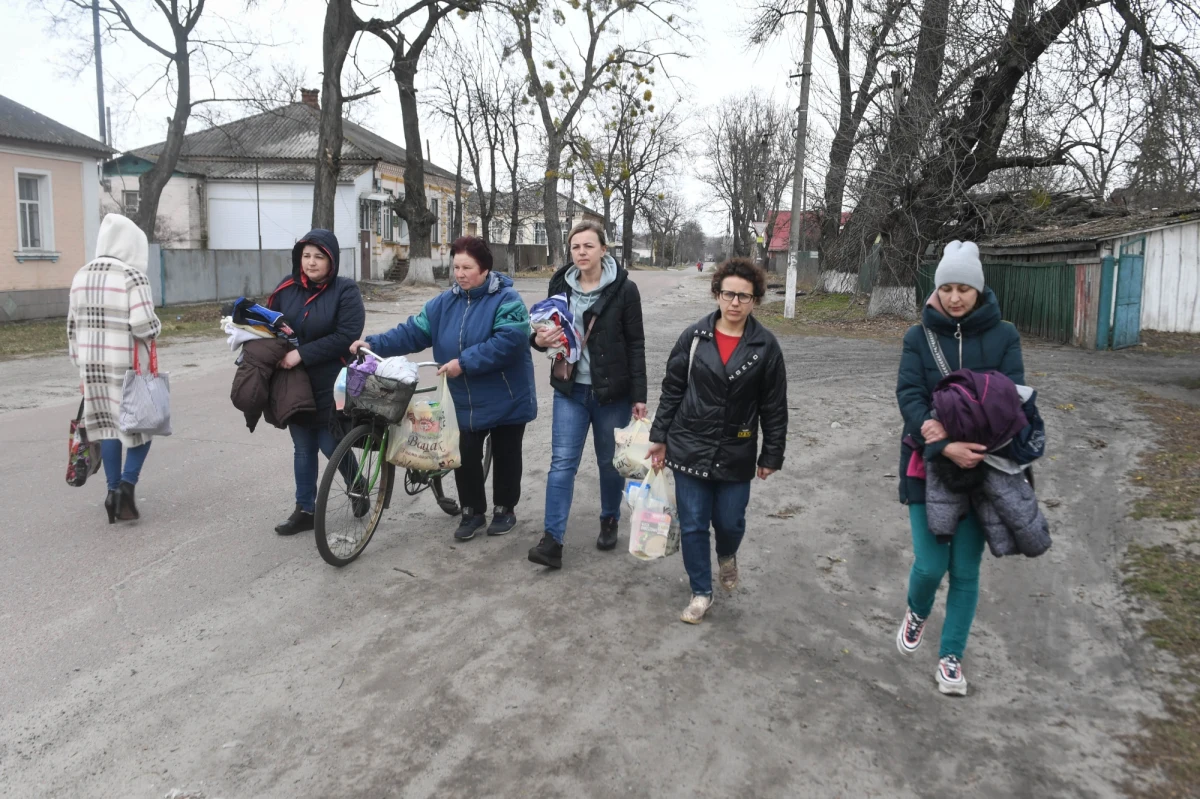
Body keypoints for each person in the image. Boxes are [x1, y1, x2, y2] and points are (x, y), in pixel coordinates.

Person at [895, 240, 1025, 696]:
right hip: (927, 463)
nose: (954, 297)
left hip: (984, 469)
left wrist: (983, 446)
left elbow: (1015, 395)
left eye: (963, 289)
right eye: (946, 288)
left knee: (966, 572)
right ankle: (917, 609)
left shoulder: (1005, 336)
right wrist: (941, 439)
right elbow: (909, 395)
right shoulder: (917, 337)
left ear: (978, 290)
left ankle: (950, 657)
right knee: (931, 566)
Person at [351, 236, 537, 540]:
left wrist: (463, 362)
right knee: (463, 453)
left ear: (486, 268)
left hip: (506, 394)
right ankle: (472, 511)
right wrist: (374, 344)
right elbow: (412, 332)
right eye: (456, 267)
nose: (460, 274)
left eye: (467, 267)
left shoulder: (507, 300)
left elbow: (509, 342)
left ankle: (505, 508)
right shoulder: (444, 303)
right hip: (462, 396)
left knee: (506, 453)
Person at [647, 258, 788, 623]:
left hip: (736, 449)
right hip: (689, 443)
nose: (735, 303)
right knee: (693, 523)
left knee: (729, 521)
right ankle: (700, 591)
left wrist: (772, 453)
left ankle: (727, 555)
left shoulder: (765, 346)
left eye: (744, 296)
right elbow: (672, 389)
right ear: (716, 294)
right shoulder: (694, 337)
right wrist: (658, 437)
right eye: (729, 294)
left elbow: (774, 406)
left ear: (755, 300)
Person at [527, 221, 647, 570]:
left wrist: (639, 395)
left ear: (603, 250)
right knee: (562, 463)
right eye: (575, 246)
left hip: (612, 394)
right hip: (570, 389)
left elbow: (636, 344)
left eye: (588, 246)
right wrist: (537, 341)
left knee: (610, 464)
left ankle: (609, 518)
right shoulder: (558, 284)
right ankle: (552, 541)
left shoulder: (625, 289)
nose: (581, 252)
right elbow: (539, 332)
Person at [268, 229, 366, 535]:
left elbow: (346, 336)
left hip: (331, 380)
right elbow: (270, 321)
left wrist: (302, 354)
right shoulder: (287, 288)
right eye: (306, 256)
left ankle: (357, 484)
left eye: (319, 257)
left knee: (329, 442)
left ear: (331, 261)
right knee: (302, 447)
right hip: (295, 382)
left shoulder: (345, 291)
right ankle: (305, 509)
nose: (311, 263)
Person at [68, 214, 163, 523]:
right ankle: (126, 485)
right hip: (127, 367)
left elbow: (72, 328)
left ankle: (111, 494)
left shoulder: (81, 275)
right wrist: (156, 325)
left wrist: (80, 369)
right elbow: (144, 326)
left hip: (92, 369)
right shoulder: (133, 276)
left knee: (107, 428)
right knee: (144, 425)